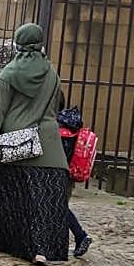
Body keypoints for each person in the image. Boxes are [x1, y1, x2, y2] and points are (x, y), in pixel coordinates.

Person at [0, 23, 70, 266]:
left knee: (7, 196)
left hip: (15, 143)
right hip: (48, 143)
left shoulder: (9, 73)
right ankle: (42, 250)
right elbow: (57, 105)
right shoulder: (52, 73)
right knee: (44, 200)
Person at [57, 105, 94, 258]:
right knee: (60, 206)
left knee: (59, 207)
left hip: (59, 173)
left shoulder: (60, 130)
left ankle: (80, 236)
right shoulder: (74, 131)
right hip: (71, 173)